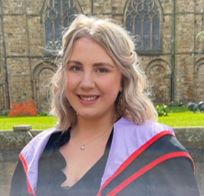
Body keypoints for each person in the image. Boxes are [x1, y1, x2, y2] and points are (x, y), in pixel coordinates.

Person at [10, 14, 200, 196]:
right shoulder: (34, 156)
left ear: (122, 81)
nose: (86, 83)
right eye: (75, 68)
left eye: (101, 70)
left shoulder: (158, 153)